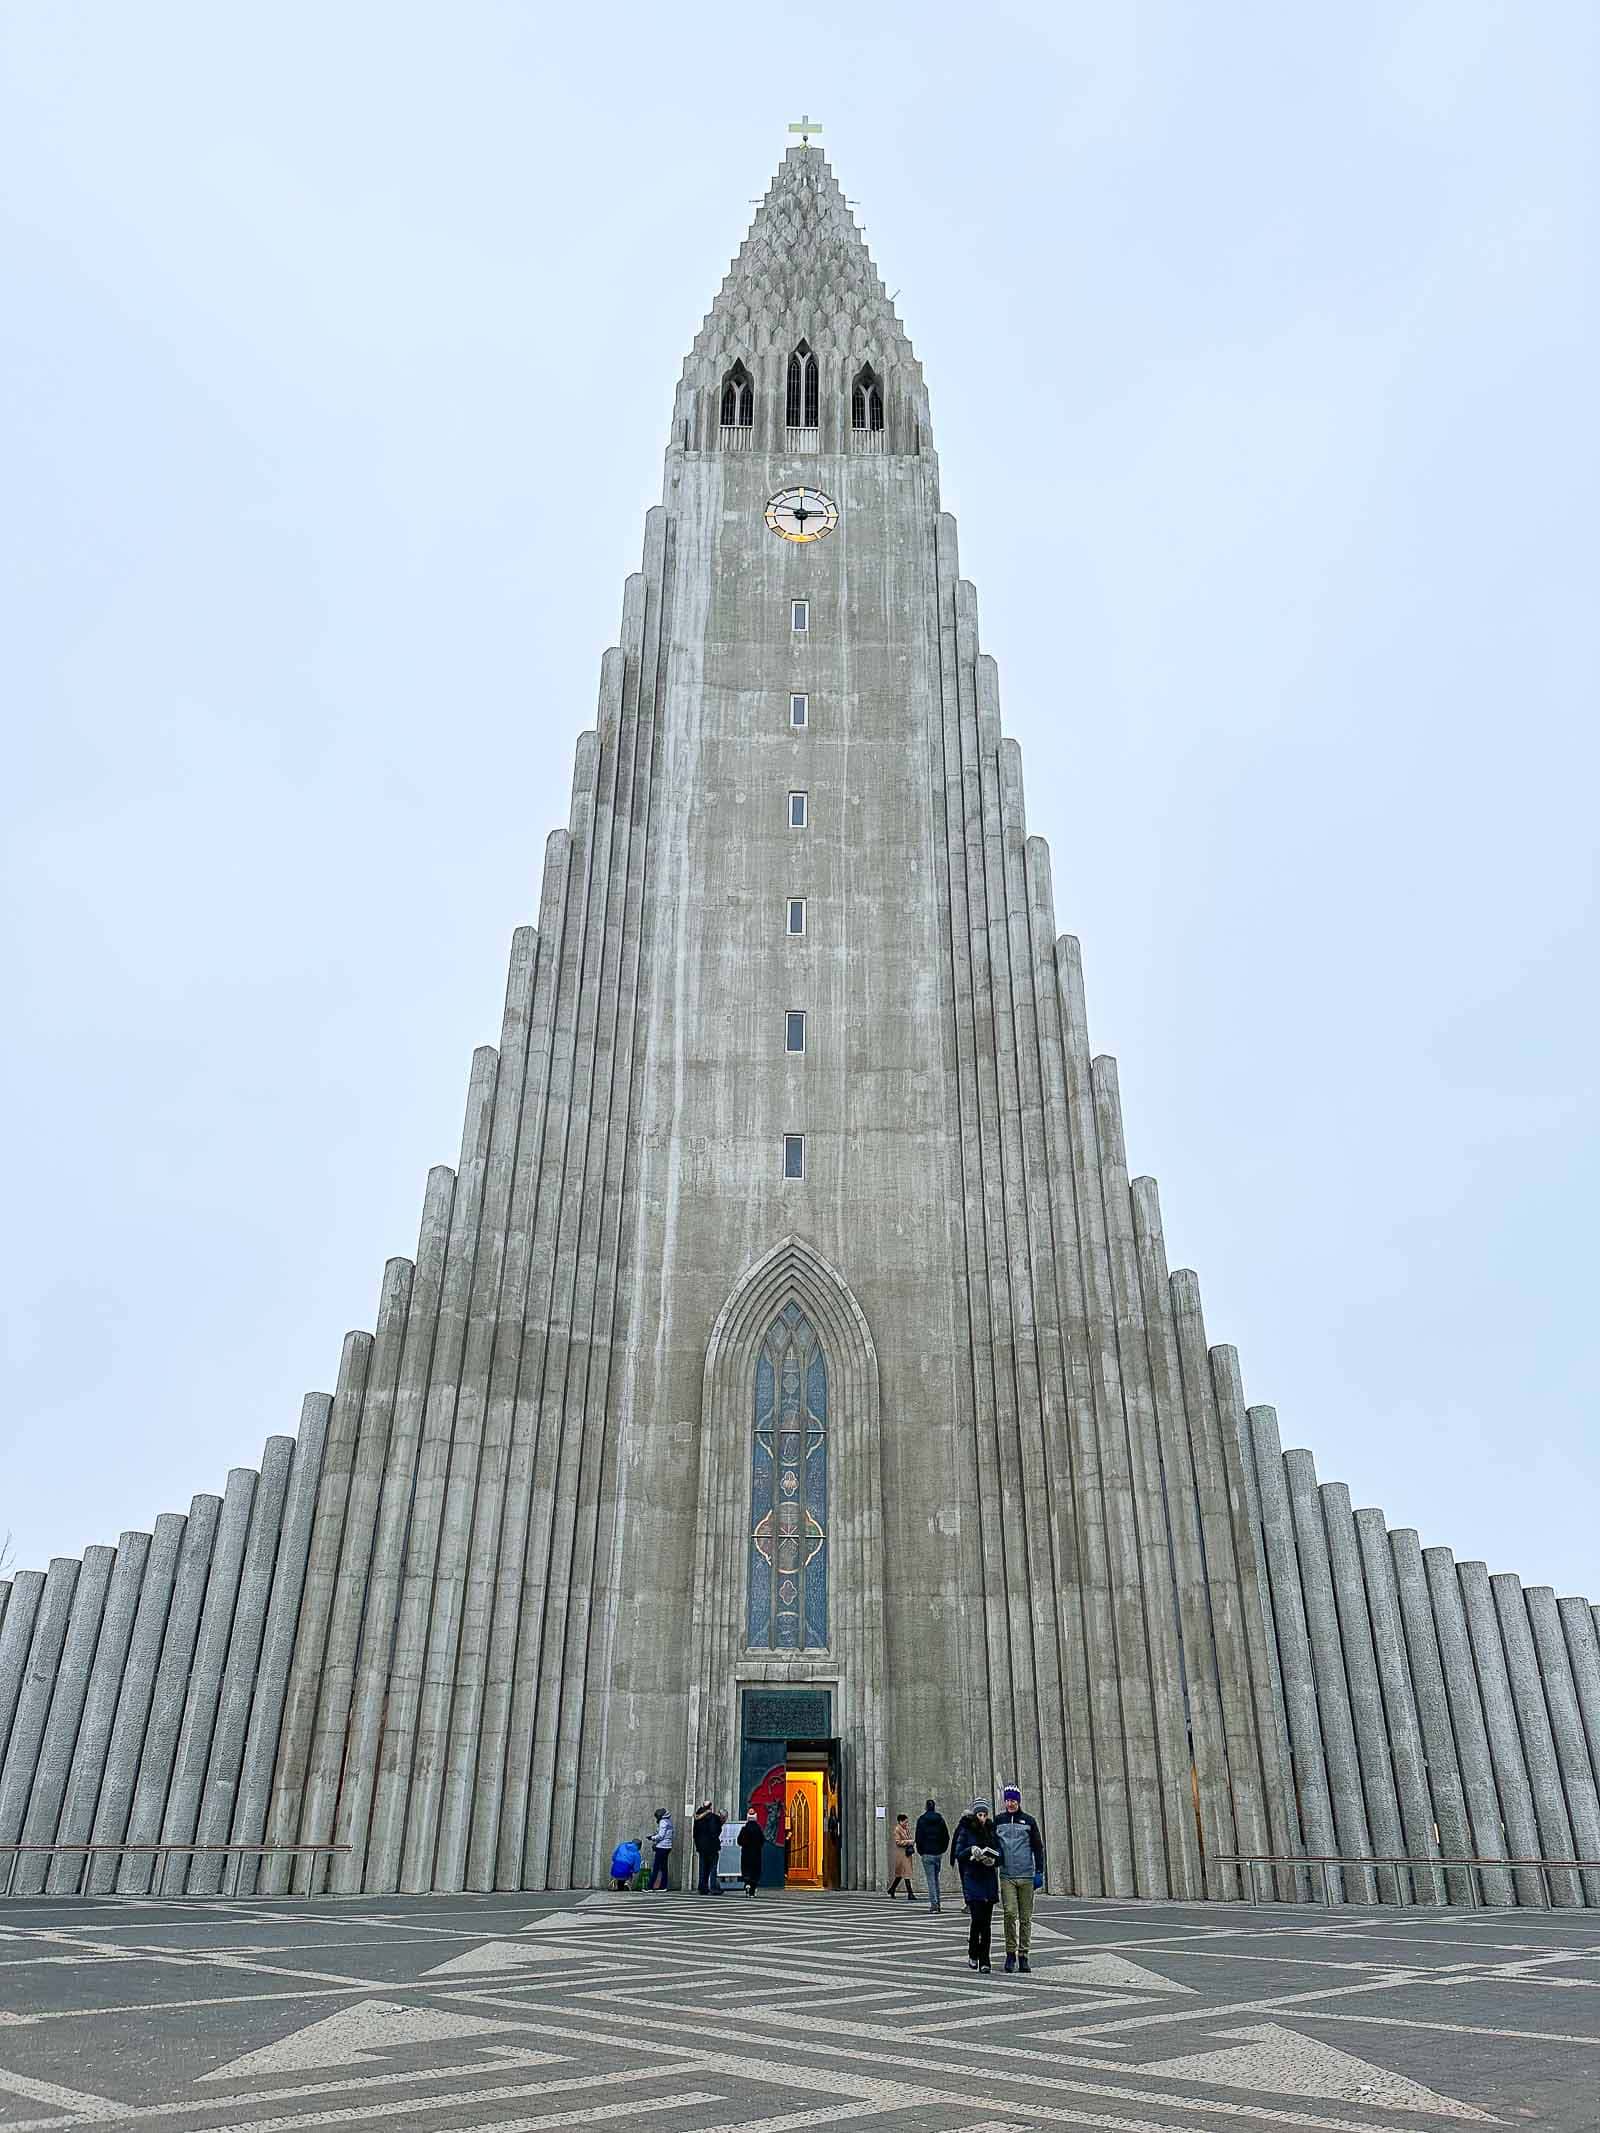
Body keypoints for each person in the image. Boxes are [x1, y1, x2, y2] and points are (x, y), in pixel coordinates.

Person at [994, 1784, 1046, 1973]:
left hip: (1026, 1875)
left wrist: (1039, 1871)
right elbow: (992, 1843)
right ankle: (1010, 1953)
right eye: (1007, 1800)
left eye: (1013, 1800)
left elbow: (1038, 1847)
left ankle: (1024, 1955)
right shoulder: (998, 1821)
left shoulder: (1029, 1821)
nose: (1010, 1803)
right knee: (1009, 1913)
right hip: (1007, 1875)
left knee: (1025, 1918)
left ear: (1019, 1801)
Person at [953, 1798, 1001, 1972]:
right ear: (975, 1815)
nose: (982, 1817)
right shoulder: (966, 1829)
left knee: (987, 1924)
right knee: (977, 1921)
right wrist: (970, 1851)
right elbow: (958, 1853)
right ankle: (973, 1952)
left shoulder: (991, 1829)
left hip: (988, 1880)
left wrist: (993, 1860)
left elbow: (999, 1852)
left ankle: (985, 1960)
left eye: (985, 1814)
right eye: (979, 1814)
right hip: (973, 1879)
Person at [914, 1798, 950, 1911]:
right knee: (935, 1879)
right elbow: (946, 1836)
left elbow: (918, 1838)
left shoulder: (921, 1820)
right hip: (937, 1853)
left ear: (926, 1807)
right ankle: (937, 1903)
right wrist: (942, 1849)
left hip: (927, 1853)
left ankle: (934, 1905)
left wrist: (921, 1851)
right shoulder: (940, 1820)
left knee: (931, 1880)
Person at [691, 1802, 725, 1895]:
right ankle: (713, 1887)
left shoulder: (697, 1819)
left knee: (703, 1867)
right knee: (713, 1867)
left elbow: (695, 1833)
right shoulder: (713, 1818)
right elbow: (714, 1832)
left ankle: (702, 1887)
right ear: (710, 1807)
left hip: (701, 1847)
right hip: (712, 1847)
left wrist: (698, 1845)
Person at [736, 1805, 766, 1896]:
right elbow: (762, 1841)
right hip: (756, 1854)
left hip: (746, 1853)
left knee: (746, 1870)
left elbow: (739, 1841)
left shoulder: (744, 1829)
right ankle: (752, 1890)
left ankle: (747, 1884)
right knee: (755, 1871)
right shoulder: (758, 1829)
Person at [887, 1812, 917, 1898]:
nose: (906, 1823)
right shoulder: (897, 1829)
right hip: (901, 1854)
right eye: (905, 1822)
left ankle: (892, 1889)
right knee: (906, 1873)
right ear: (900, 1821)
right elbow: (898, 1842)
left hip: (907, 1853)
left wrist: (910, 1841)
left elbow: (909, 1838)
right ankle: (910, 1893)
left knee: (900, 1874)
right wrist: (909, 1842)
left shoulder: (906, 1829)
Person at [647, 1805, 674, 1890]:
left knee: (656, 1867)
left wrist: (652, 1838)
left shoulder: (663, 1822)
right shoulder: (669, 1821)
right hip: (668, 1846)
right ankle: (663, 1886)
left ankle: (649, 1887)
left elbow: (661, 1836)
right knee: (664, 1868)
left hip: (662, 1847)